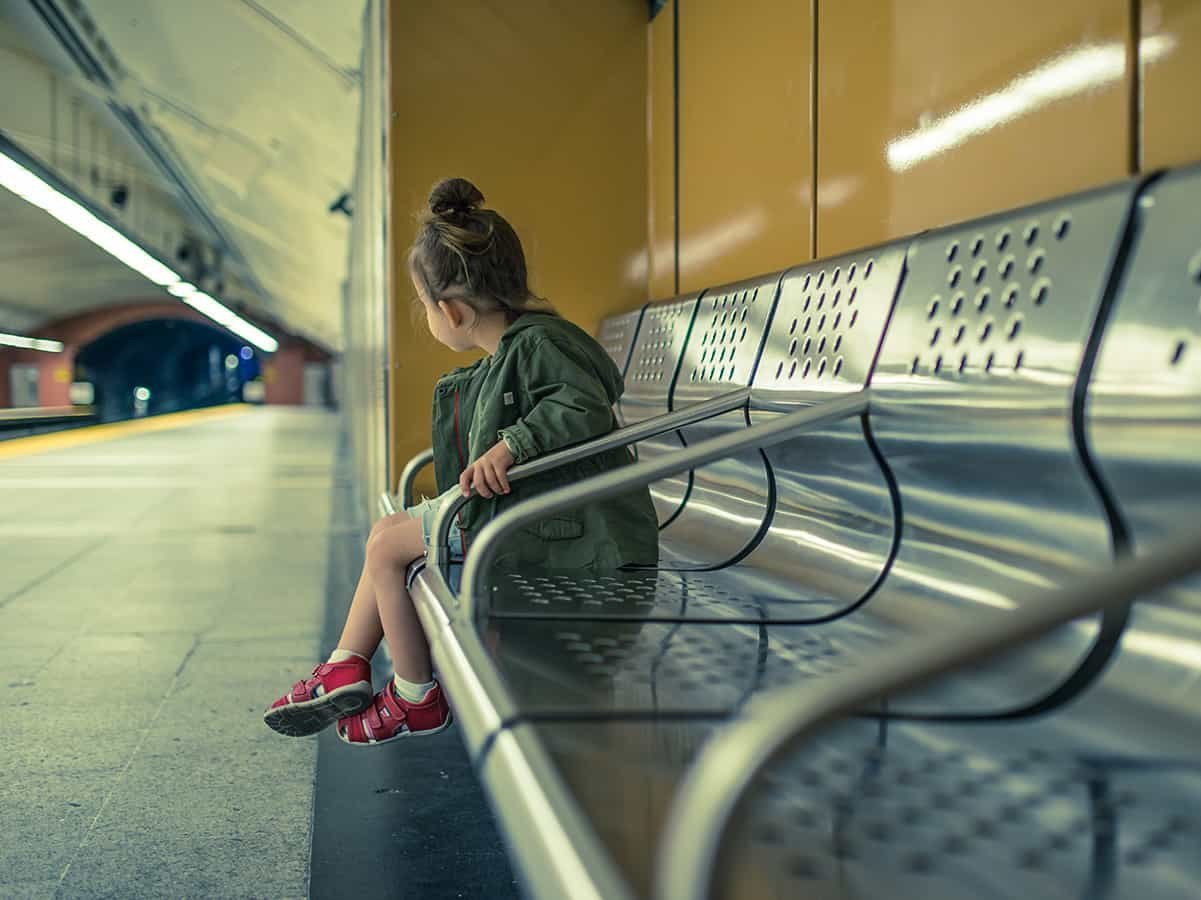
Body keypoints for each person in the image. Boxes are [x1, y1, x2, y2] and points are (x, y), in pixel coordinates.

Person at [263, 177, 659, 746]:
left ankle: (413, 693)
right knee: (388, 534)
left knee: (387, 545)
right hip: (544, 522)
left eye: (422, 305)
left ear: (449, 310)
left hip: (574, 540)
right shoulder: (513, 352)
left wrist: (514, 444)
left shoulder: (540, 345)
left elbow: (585, 401)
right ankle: (348, 664)